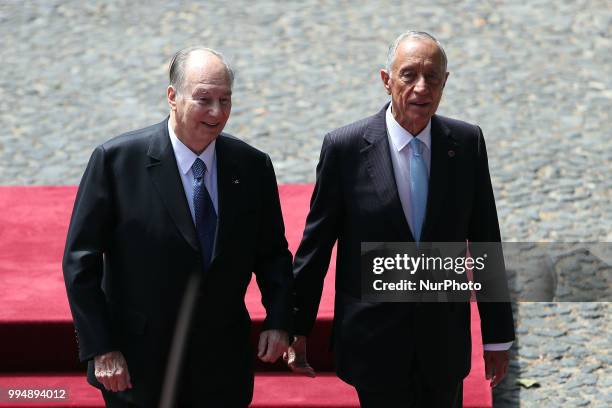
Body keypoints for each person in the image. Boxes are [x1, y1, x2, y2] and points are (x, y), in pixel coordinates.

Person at [287, 31, 515, 407]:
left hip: (442, 342)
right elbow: (317, 245)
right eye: (409, 75)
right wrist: (296, 325)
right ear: (386, 79)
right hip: (373, 342)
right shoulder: (345, 149)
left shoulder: (466, 143)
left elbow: (486, 238)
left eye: (433, 78)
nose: (421, 88)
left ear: (445, 82)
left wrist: (497, 336)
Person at [62, 46, 293, 407]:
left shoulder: (251, 166)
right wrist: (102, 347)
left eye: (225, 99)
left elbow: (272, 254)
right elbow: (80, 262)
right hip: (139, 363)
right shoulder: (117, 162)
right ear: (173, 97)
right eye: (204, 99)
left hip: (221, 364)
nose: (217, 113)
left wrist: (279, 320)